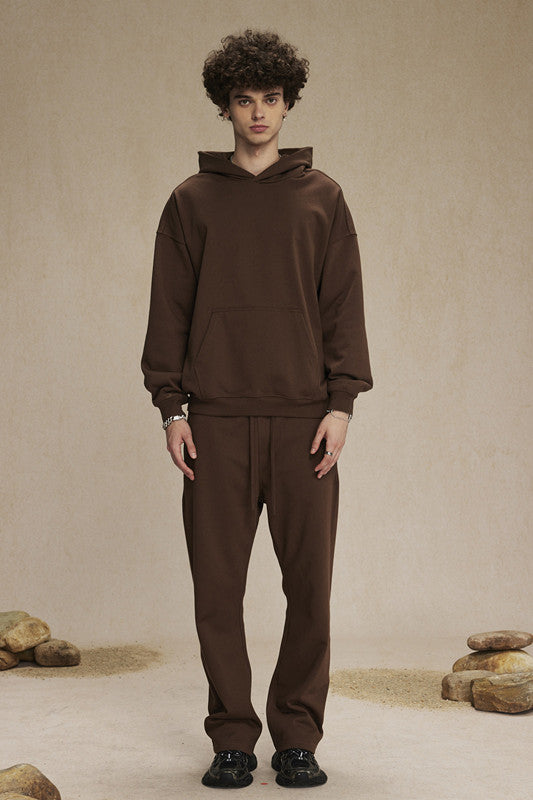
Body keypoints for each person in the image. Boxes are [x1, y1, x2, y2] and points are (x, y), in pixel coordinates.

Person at [141, 28, 373, 789]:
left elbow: (341, 305)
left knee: (309, 590)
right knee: (217, 592)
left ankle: (298, 737)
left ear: (287, 103)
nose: (259, 113)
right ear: (225, 108)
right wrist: (172, 409)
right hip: (213, 423)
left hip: (304, 420)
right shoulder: (191, 201)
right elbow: (169, 310)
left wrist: (341, 403)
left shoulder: (322, 197)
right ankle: (232, 737)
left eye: (271, 99)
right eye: (244, 100)